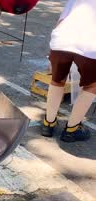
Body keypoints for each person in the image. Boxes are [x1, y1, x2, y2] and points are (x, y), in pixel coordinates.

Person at [41, 0, 96, 142]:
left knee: (57, 80)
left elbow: (62, 19)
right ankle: (72, 129)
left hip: (62, 40)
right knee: (92, 85)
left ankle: (48, 123)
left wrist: (52, 52)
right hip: (91, 44)